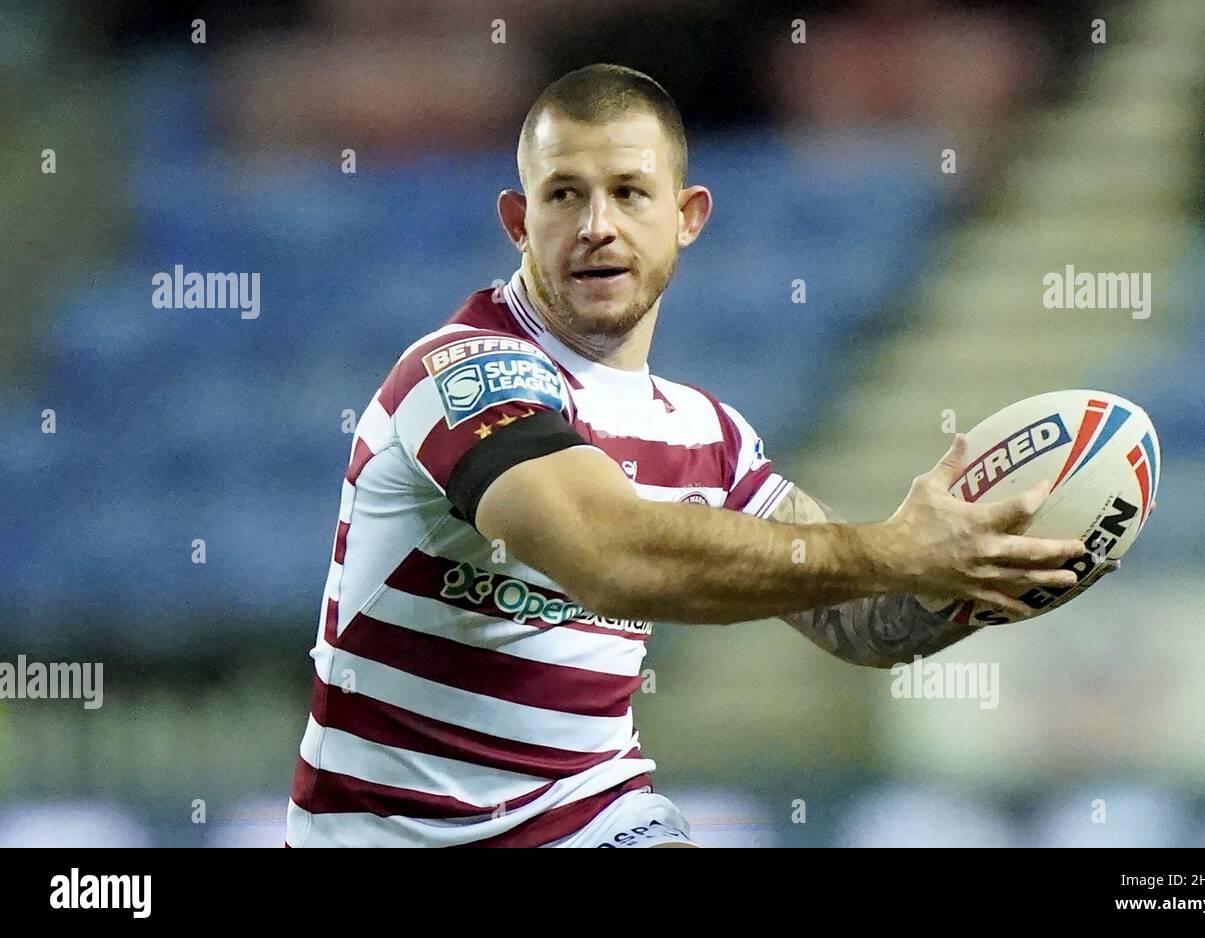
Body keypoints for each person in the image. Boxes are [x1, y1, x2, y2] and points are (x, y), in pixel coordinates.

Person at [285, 63, 1091, 848]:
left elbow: (861, 625)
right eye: (564, 194)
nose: (597, 224)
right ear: (518, 221)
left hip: (587, 815)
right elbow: (607, 554)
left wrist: (987, 574)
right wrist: (895, 548)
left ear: (688, 216)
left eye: (630, 193)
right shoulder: (463, 375)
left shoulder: (711, 436)